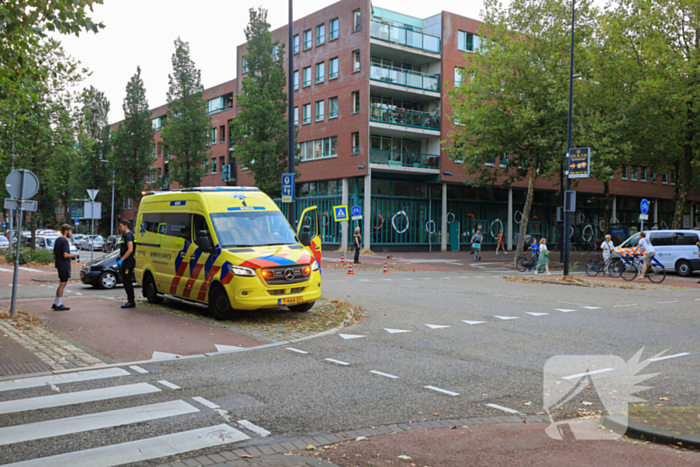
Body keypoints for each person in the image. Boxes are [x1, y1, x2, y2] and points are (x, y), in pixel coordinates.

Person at [52, 224, 78, 311]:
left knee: (61, 284)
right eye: (70, 231)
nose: (71, 233)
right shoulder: (65, 241)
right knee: (62, 284)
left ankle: (56, 302)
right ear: (66, 231)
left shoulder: (57, 240)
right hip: (64, 265)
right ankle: (58, 304)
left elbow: (54, 252)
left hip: (59, 264)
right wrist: (73, 255)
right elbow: (65, 254)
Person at [118, 220, 136, 308]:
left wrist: (122, 259)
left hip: (128, 262)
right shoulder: (125, 236)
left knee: (127, 280)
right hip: (127, 262)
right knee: (125, 281)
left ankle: (131, 301)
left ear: (126, 226)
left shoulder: (128, 236)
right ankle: (130, 300)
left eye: (120, 226)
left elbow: (130, 249)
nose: (119, 228)